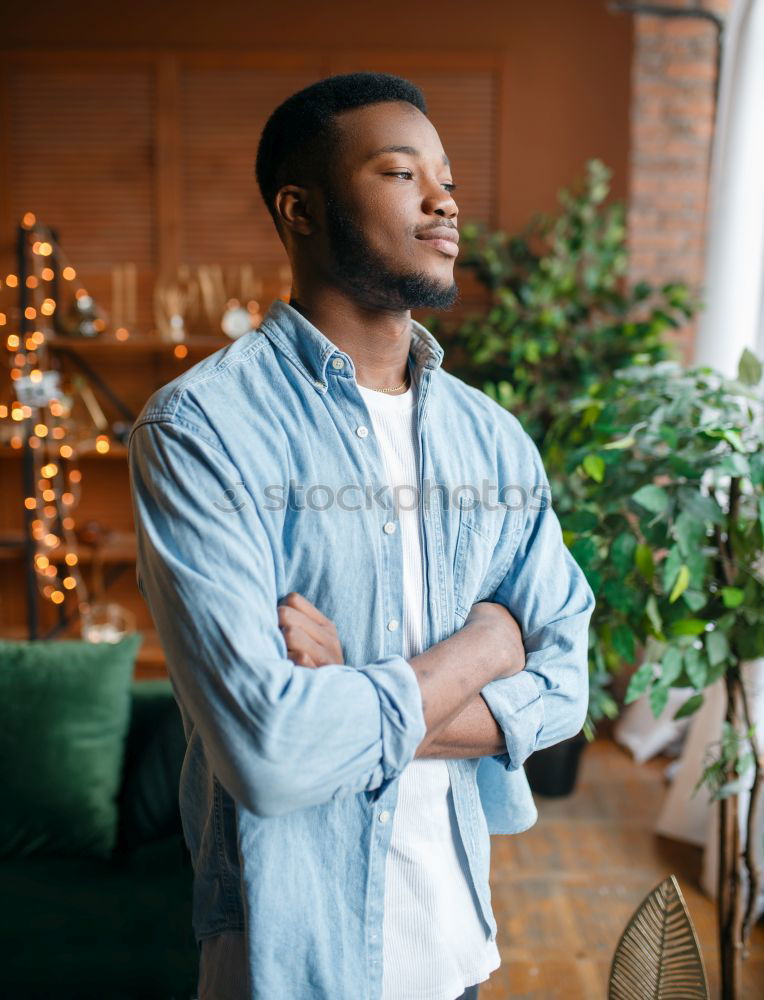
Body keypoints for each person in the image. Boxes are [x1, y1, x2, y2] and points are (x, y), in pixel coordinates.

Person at [128, 71, 595, 1000]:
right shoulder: (200, 432)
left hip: (460, 948)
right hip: (294, 961)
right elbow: (274, 753)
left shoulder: (489, 439)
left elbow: (568, 688)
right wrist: (488, 644)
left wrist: (349, 693)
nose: (444, 200)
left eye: (448, 176)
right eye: (399, 172)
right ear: (299, 210)